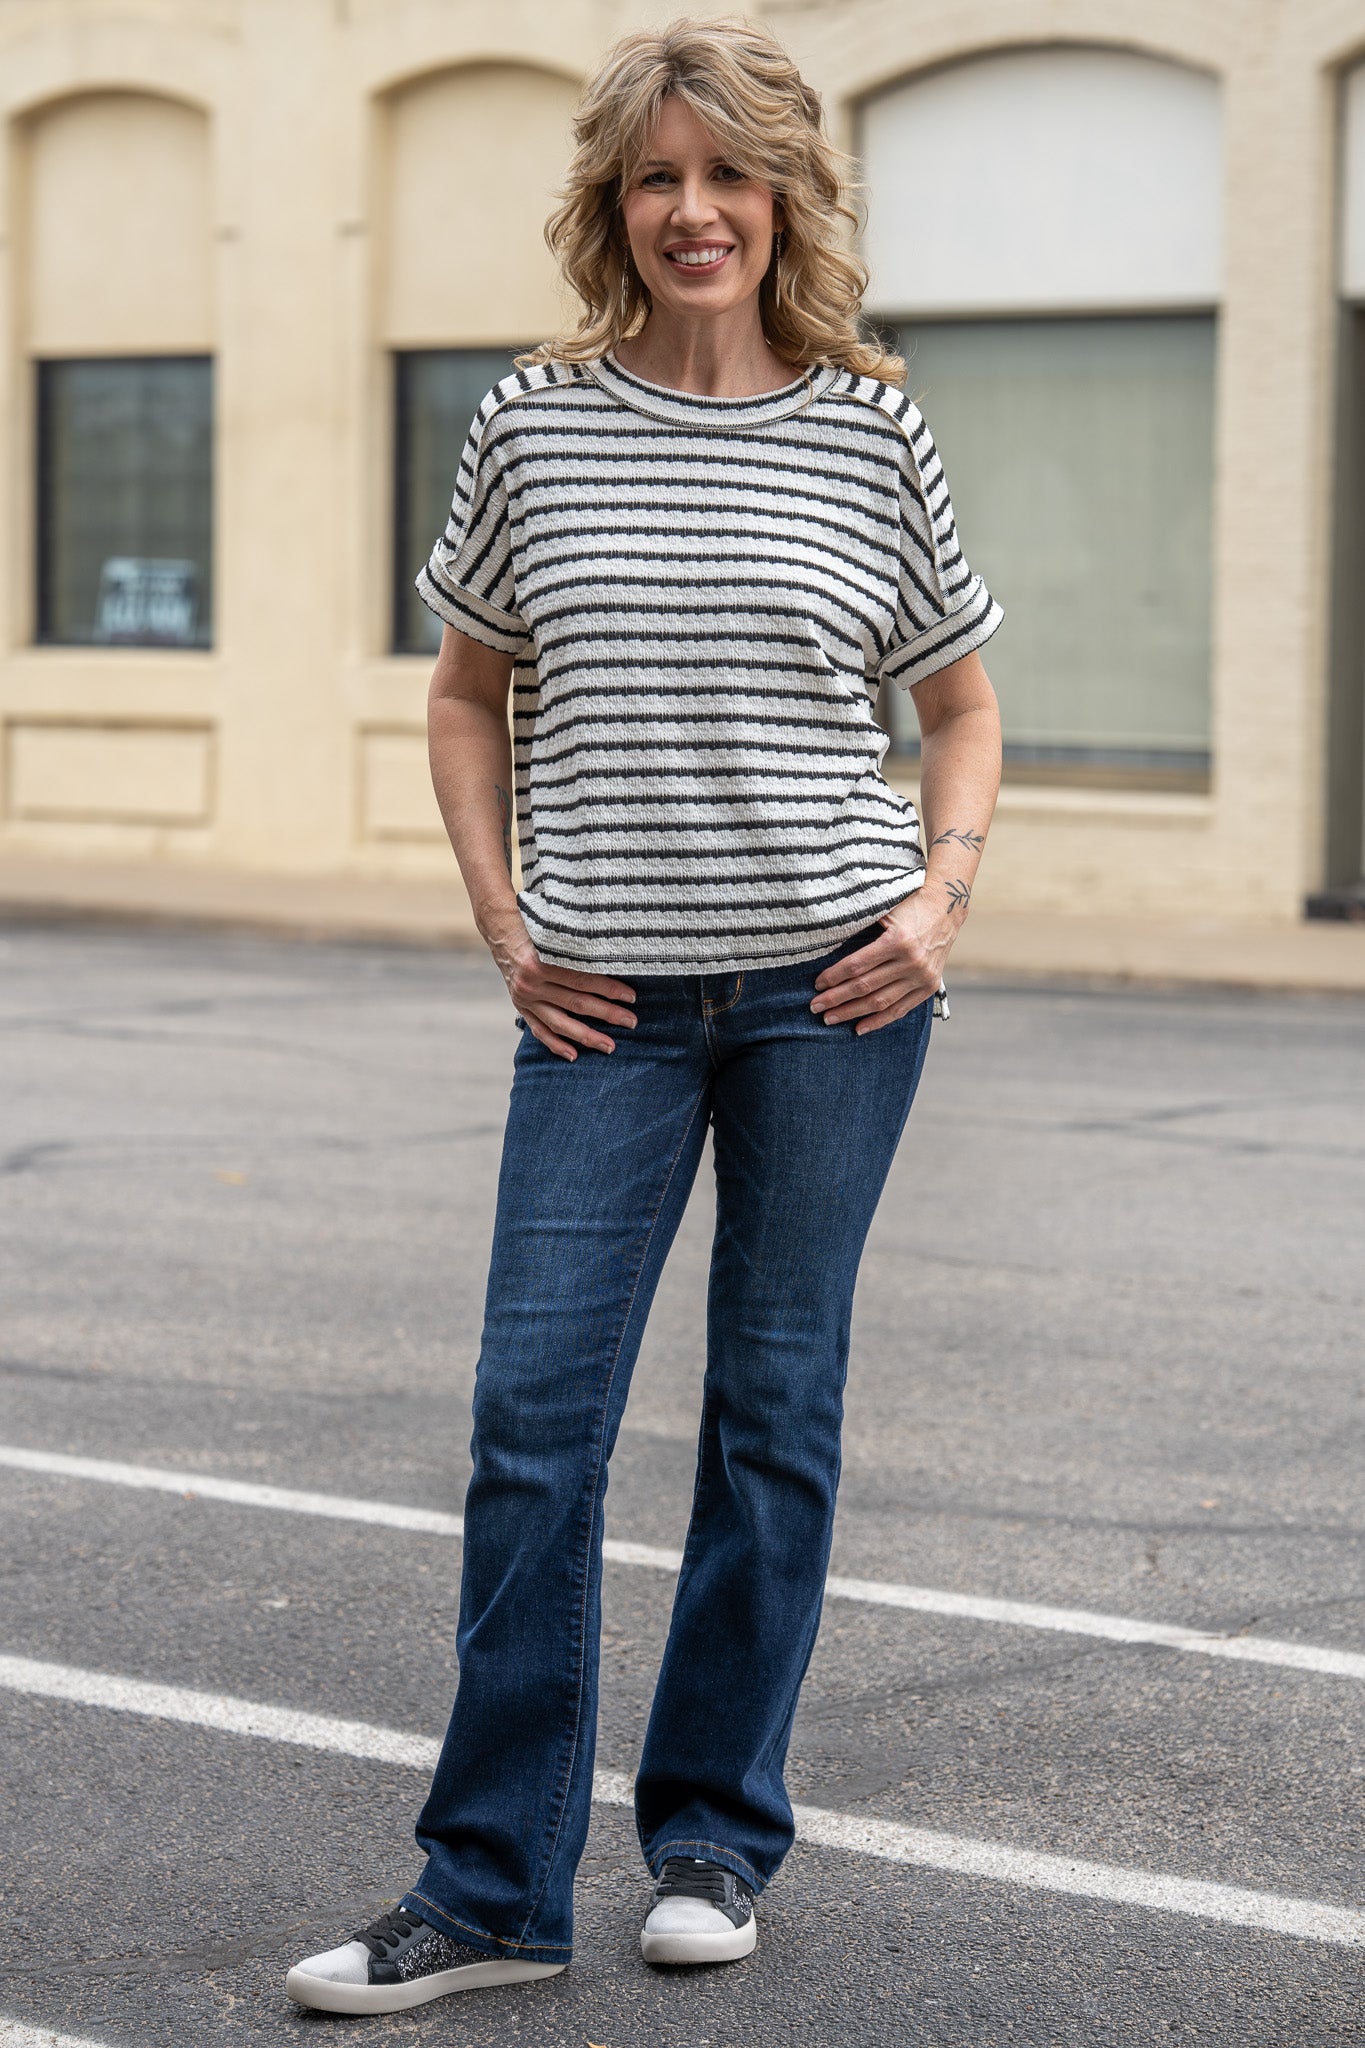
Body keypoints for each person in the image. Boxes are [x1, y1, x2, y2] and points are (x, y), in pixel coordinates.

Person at [286, 13, 1002, 2018]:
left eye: (727, 173)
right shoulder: (534, 421)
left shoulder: (874, 431)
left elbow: (955, 707)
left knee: (771, 1417)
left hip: (833, 992)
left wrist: (937, 897)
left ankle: (708, 1835)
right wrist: (505, 919)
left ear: (783, 198)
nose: (693, 210)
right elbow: (463, 689)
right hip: (599, 999)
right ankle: (490, 1883)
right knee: (534, 1432)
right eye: (653, 178)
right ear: (613, 205)